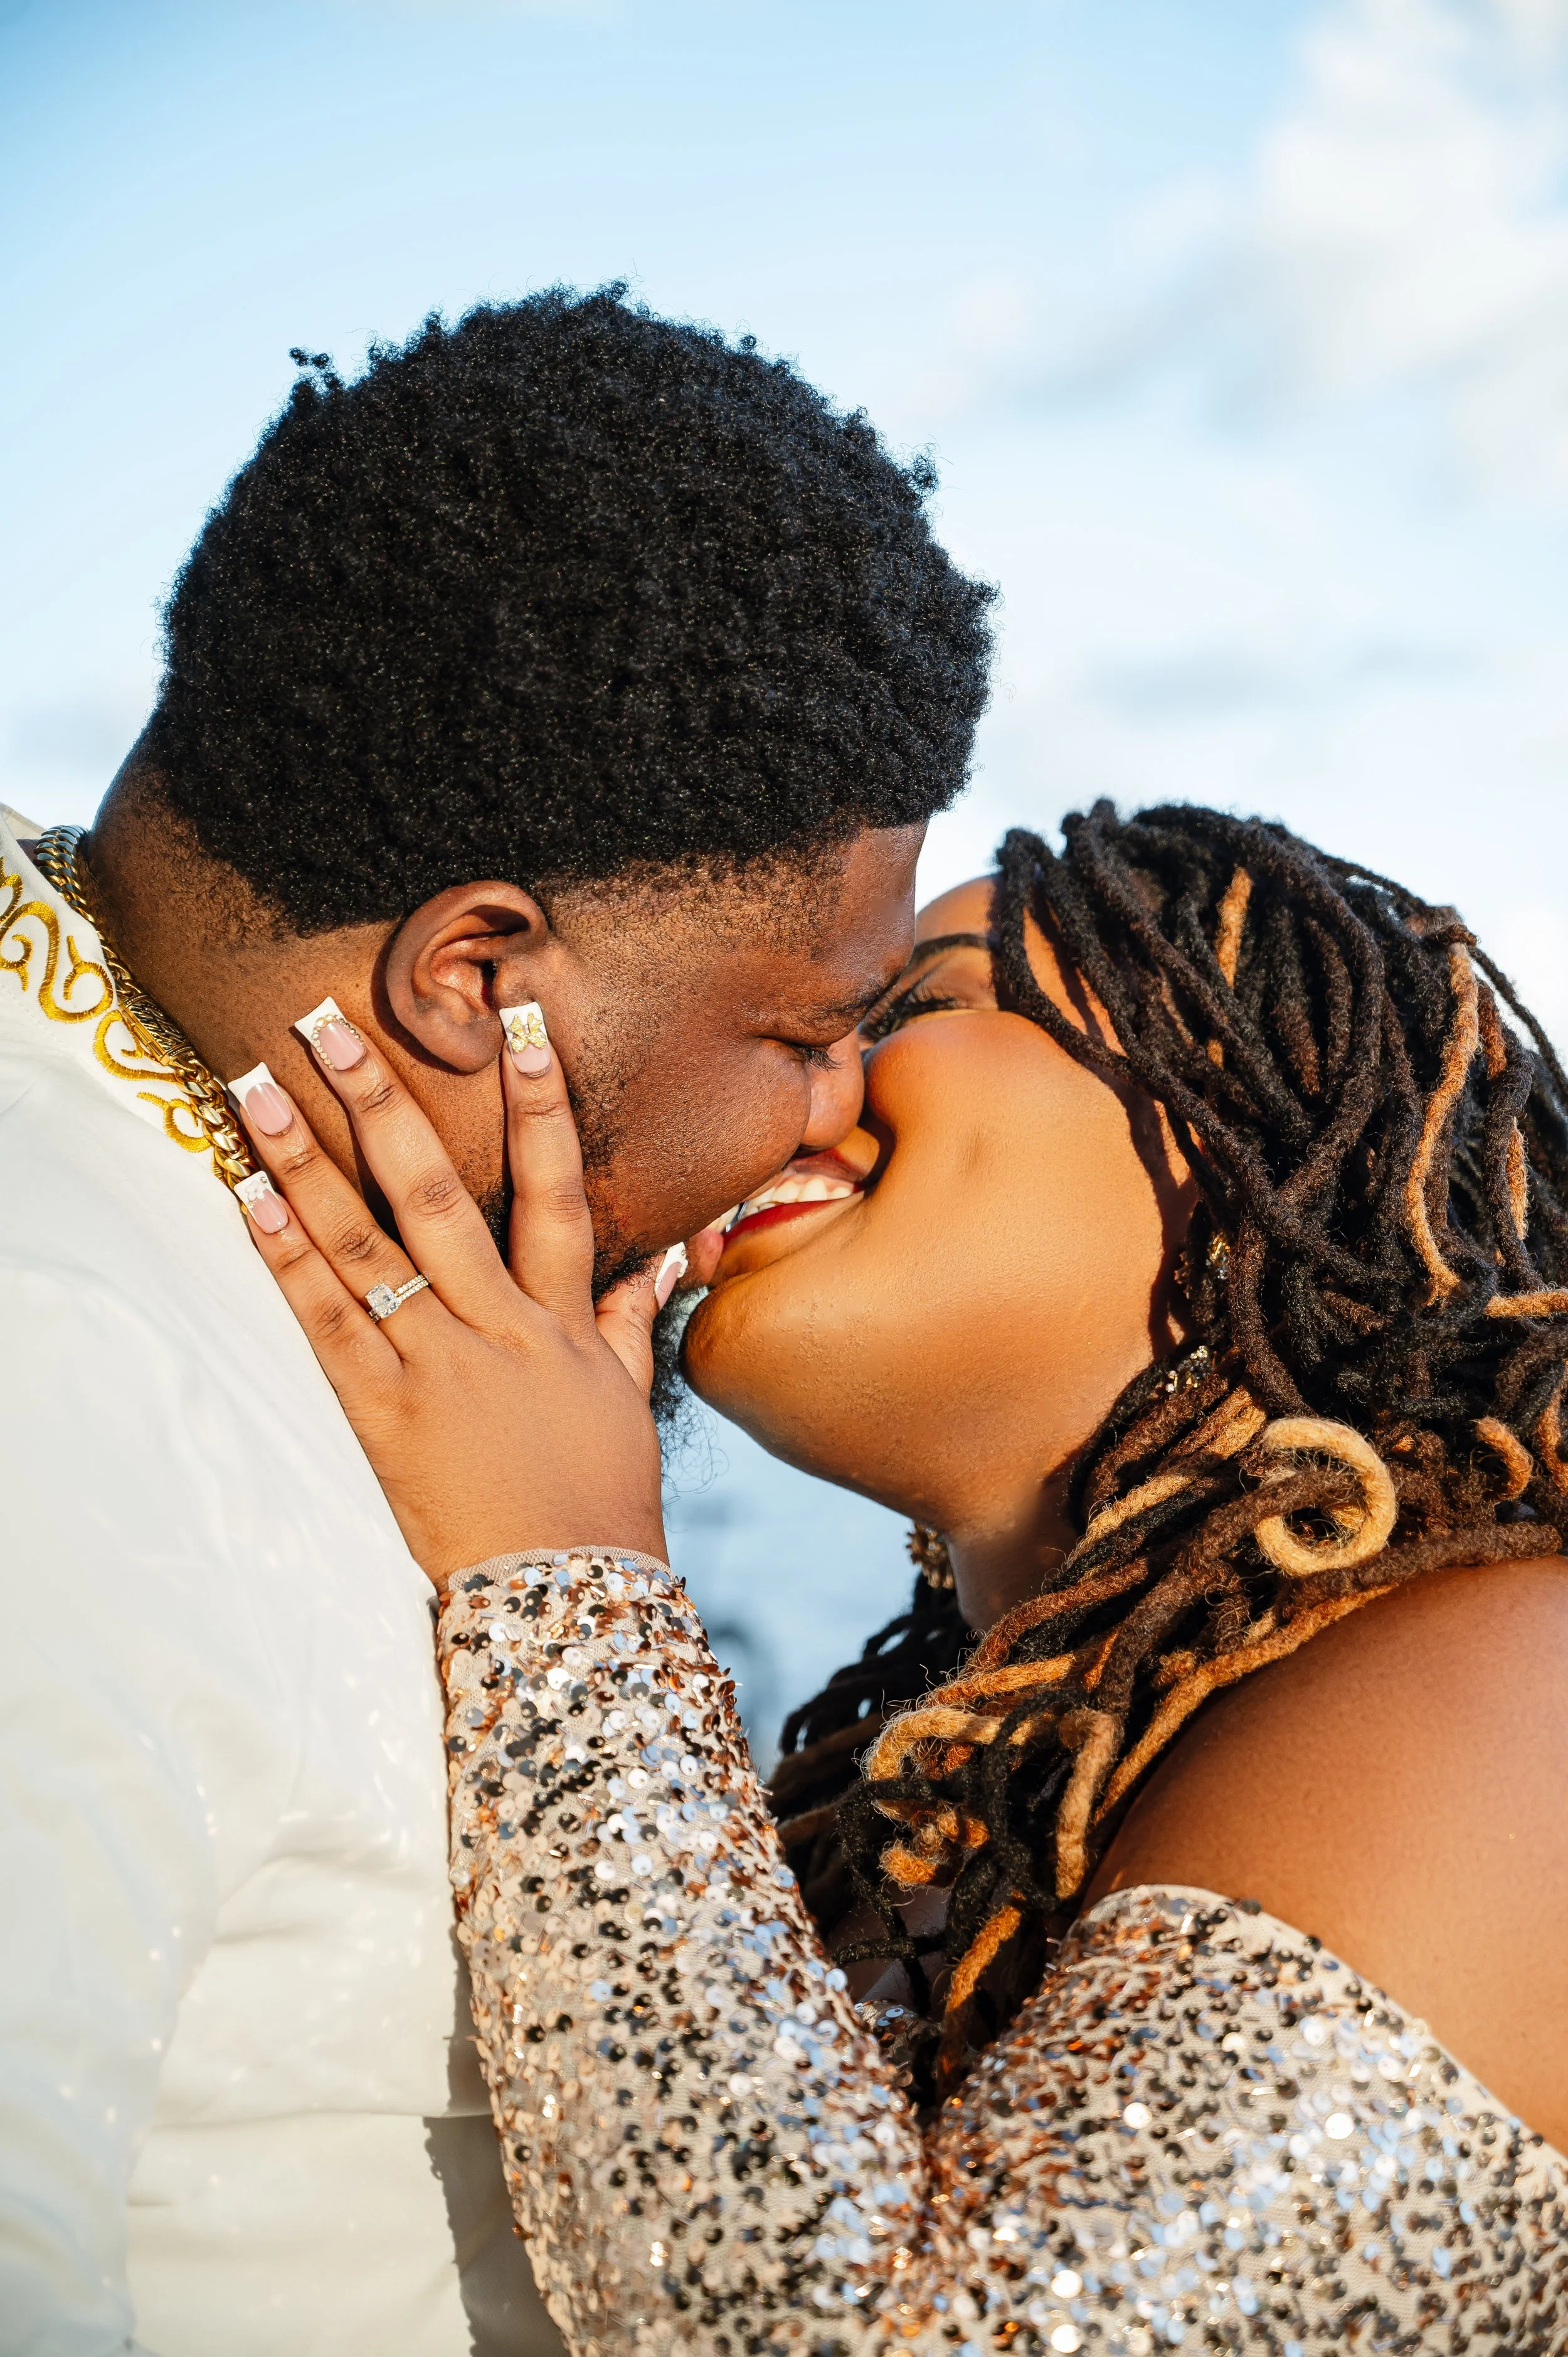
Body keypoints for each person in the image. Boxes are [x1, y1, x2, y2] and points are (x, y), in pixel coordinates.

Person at [238, 800, 1568, 2353]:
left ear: (1247, 1119)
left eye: (906, 1008)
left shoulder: (1522, 1685)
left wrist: (564, 1578)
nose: (795, 1088)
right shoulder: (910, 1813)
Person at [0, 285, 992, 2356]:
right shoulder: (59, 1373)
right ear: (477, 975)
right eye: (814, 1027)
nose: (845, 1110)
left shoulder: (242, 1219)